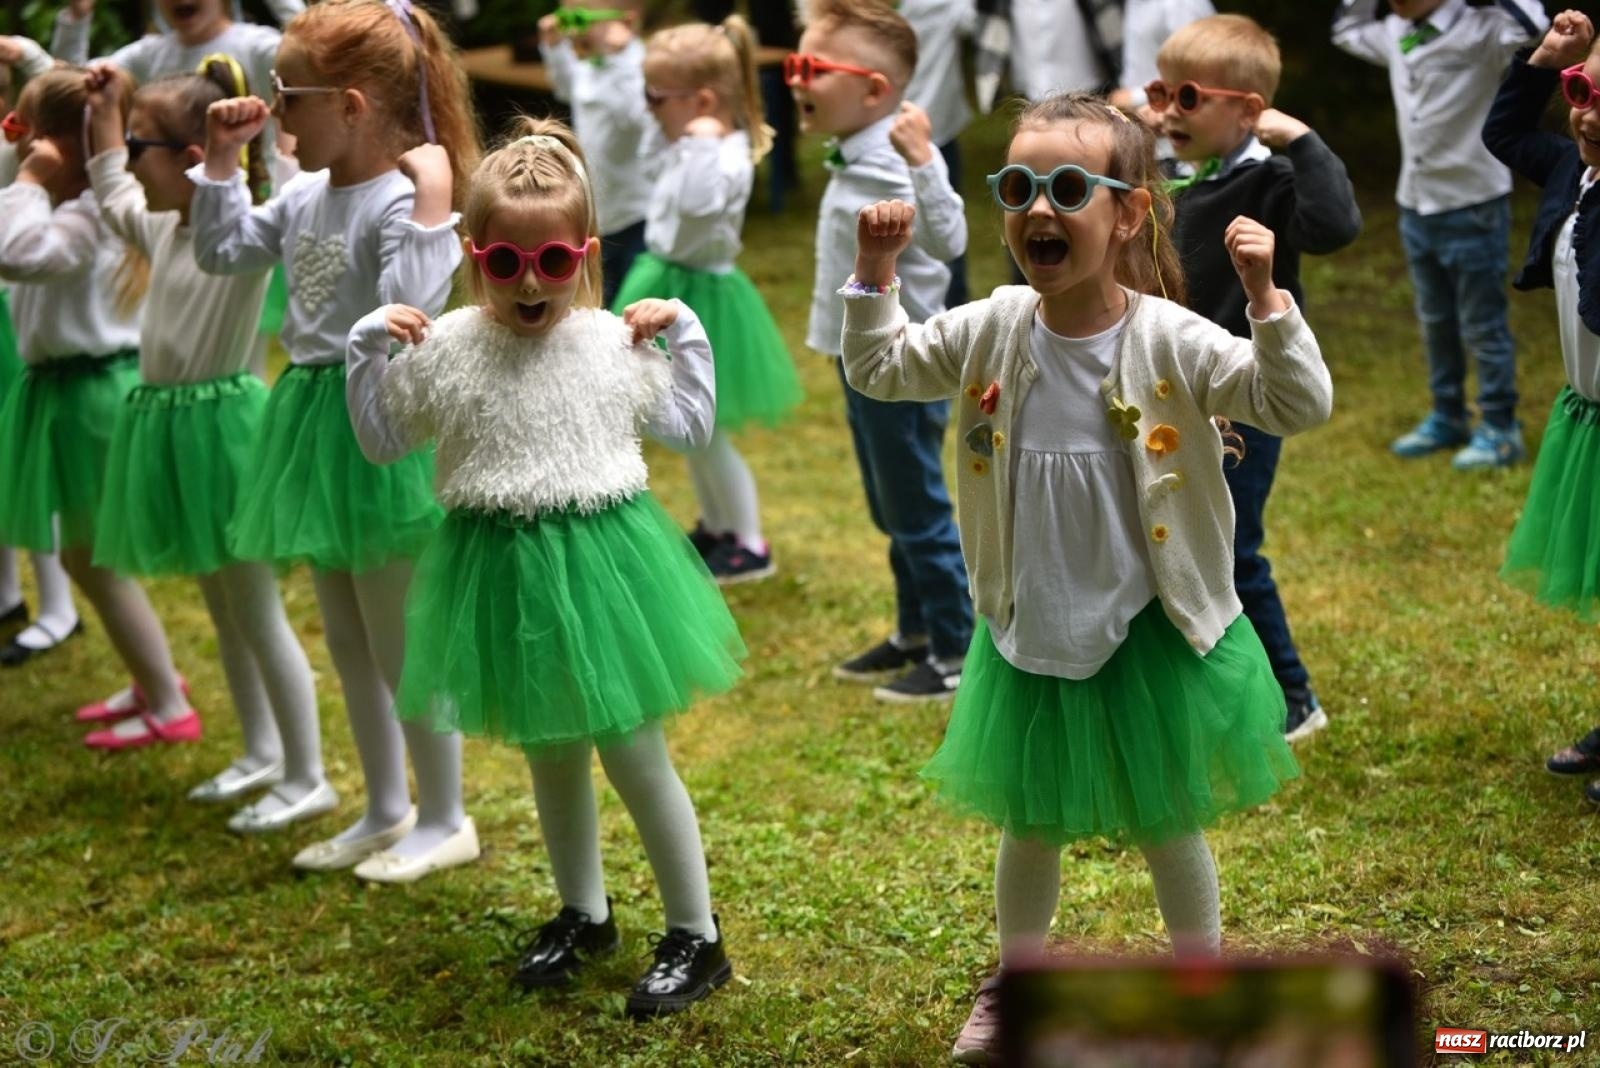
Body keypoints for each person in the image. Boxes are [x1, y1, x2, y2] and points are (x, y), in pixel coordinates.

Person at [840, 92, 1330, 1062]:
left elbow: (1295, 401)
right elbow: (881, 369)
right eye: (1018, 187)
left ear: (1128, 213)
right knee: (1029, 821)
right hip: (1031, 614)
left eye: (1067, 188)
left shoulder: (1170, 337)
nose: (1038, 208)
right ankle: (1017, 983)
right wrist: (874, 273)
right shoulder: (992, 326)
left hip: (1145, 621)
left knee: (1165, 817)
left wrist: (1266, 297)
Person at [345, 118, 743, 1017]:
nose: (530, 282)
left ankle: (696, 932)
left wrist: (686, 333)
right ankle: (583, 912)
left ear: (585, 255)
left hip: (602, 565)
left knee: (634, 752)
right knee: (550, 748)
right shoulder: (446, 347)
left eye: (554, 261)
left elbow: (689, 428)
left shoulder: (609, 342)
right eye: (507, 262)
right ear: (474, 255)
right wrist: (365, 346)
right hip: (500, 569)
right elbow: (380, 443)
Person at [191, 0, 480, 880]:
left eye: (290, 96)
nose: (277, 110)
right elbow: (222, 253)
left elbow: (409, 311)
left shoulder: (398, 201)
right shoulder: (303, 193)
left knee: (398, 642)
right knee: (349, 639)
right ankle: (387, 806)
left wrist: (433, 204)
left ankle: (446, 816)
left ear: (351, 106)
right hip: (313, 422)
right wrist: (219, 162)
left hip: (377, 423)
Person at [82, 57, 331, 819]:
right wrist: (106, 106)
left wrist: (270, 140)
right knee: (224, 611)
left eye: (141, 146)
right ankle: (261, 753)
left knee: (255, 610)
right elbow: (108, 184)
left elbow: (292, 183)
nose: (130, 161)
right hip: (172, 429)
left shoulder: (244, 236)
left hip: (224, 434)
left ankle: (307, 775)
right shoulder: (161, 227)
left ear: (192, 158)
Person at [1156, 14, 1361, 740]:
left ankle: (1292, 695)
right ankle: (1198, 680)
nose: (1167, 112)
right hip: (1169, 391)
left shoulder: (1270, 182)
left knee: (1232, 551)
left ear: (1247, 111)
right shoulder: (1167, 178)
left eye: (1187, 97)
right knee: (1170, 543)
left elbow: (1334, 226)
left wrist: (1299, 140)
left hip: (1241, 399)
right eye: (1160, 92)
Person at [0, 66, 197, 749]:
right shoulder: (75, 206)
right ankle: (152, 678)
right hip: (70, 390)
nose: (15, 145)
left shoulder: (87, 216)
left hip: (90, 398)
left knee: (92, 562)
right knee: (87, 558)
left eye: (23, 131)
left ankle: (168, 703)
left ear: (57, 145)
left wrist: (30, 180)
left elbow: (12, 252)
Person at [793, 0, 974, 702]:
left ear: (873, 90)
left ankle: (956, 650)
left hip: (904, 362)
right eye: (795, 63)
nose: (795, 78)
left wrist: (926, 162)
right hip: (861, 356)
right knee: (888, 501)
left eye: (812, 67)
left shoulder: (899, 156)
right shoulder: (856, 150)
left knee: (915, 505)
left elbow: (949, 241)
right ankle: (917, 630)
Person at [613, 15, 802, 584]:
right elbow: (650, 165)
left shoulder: (723, 155)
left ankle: (749, 540)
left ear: (701, 102)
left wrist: (698, 144)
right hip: (668, 281)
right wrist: (682, 137)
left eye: (656, 97)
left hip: (706, 298)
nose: (648, 108)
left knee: (709, 428)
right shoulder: (686, 144)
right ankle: (717, 526)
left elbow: (696, 206)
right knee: (686, 426)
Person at [1332, 0, 1547, 469]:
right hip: (1415, 202)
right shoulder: (1395, 30)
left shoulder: (1483, 29)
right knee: (1435, 320)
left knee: (1483, 324)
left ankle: (1500, 426)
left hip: (1473, 203)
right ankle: (1448, 414)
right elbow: (1345, 27)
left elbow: (1535, 24)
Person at [1484, 12, 1600, 804]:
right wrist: (1544, 59)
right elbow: (1503, 132)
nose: (1589, 116)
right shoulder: (1569, 168)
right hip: (1587, 414)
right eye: (1583, 92)